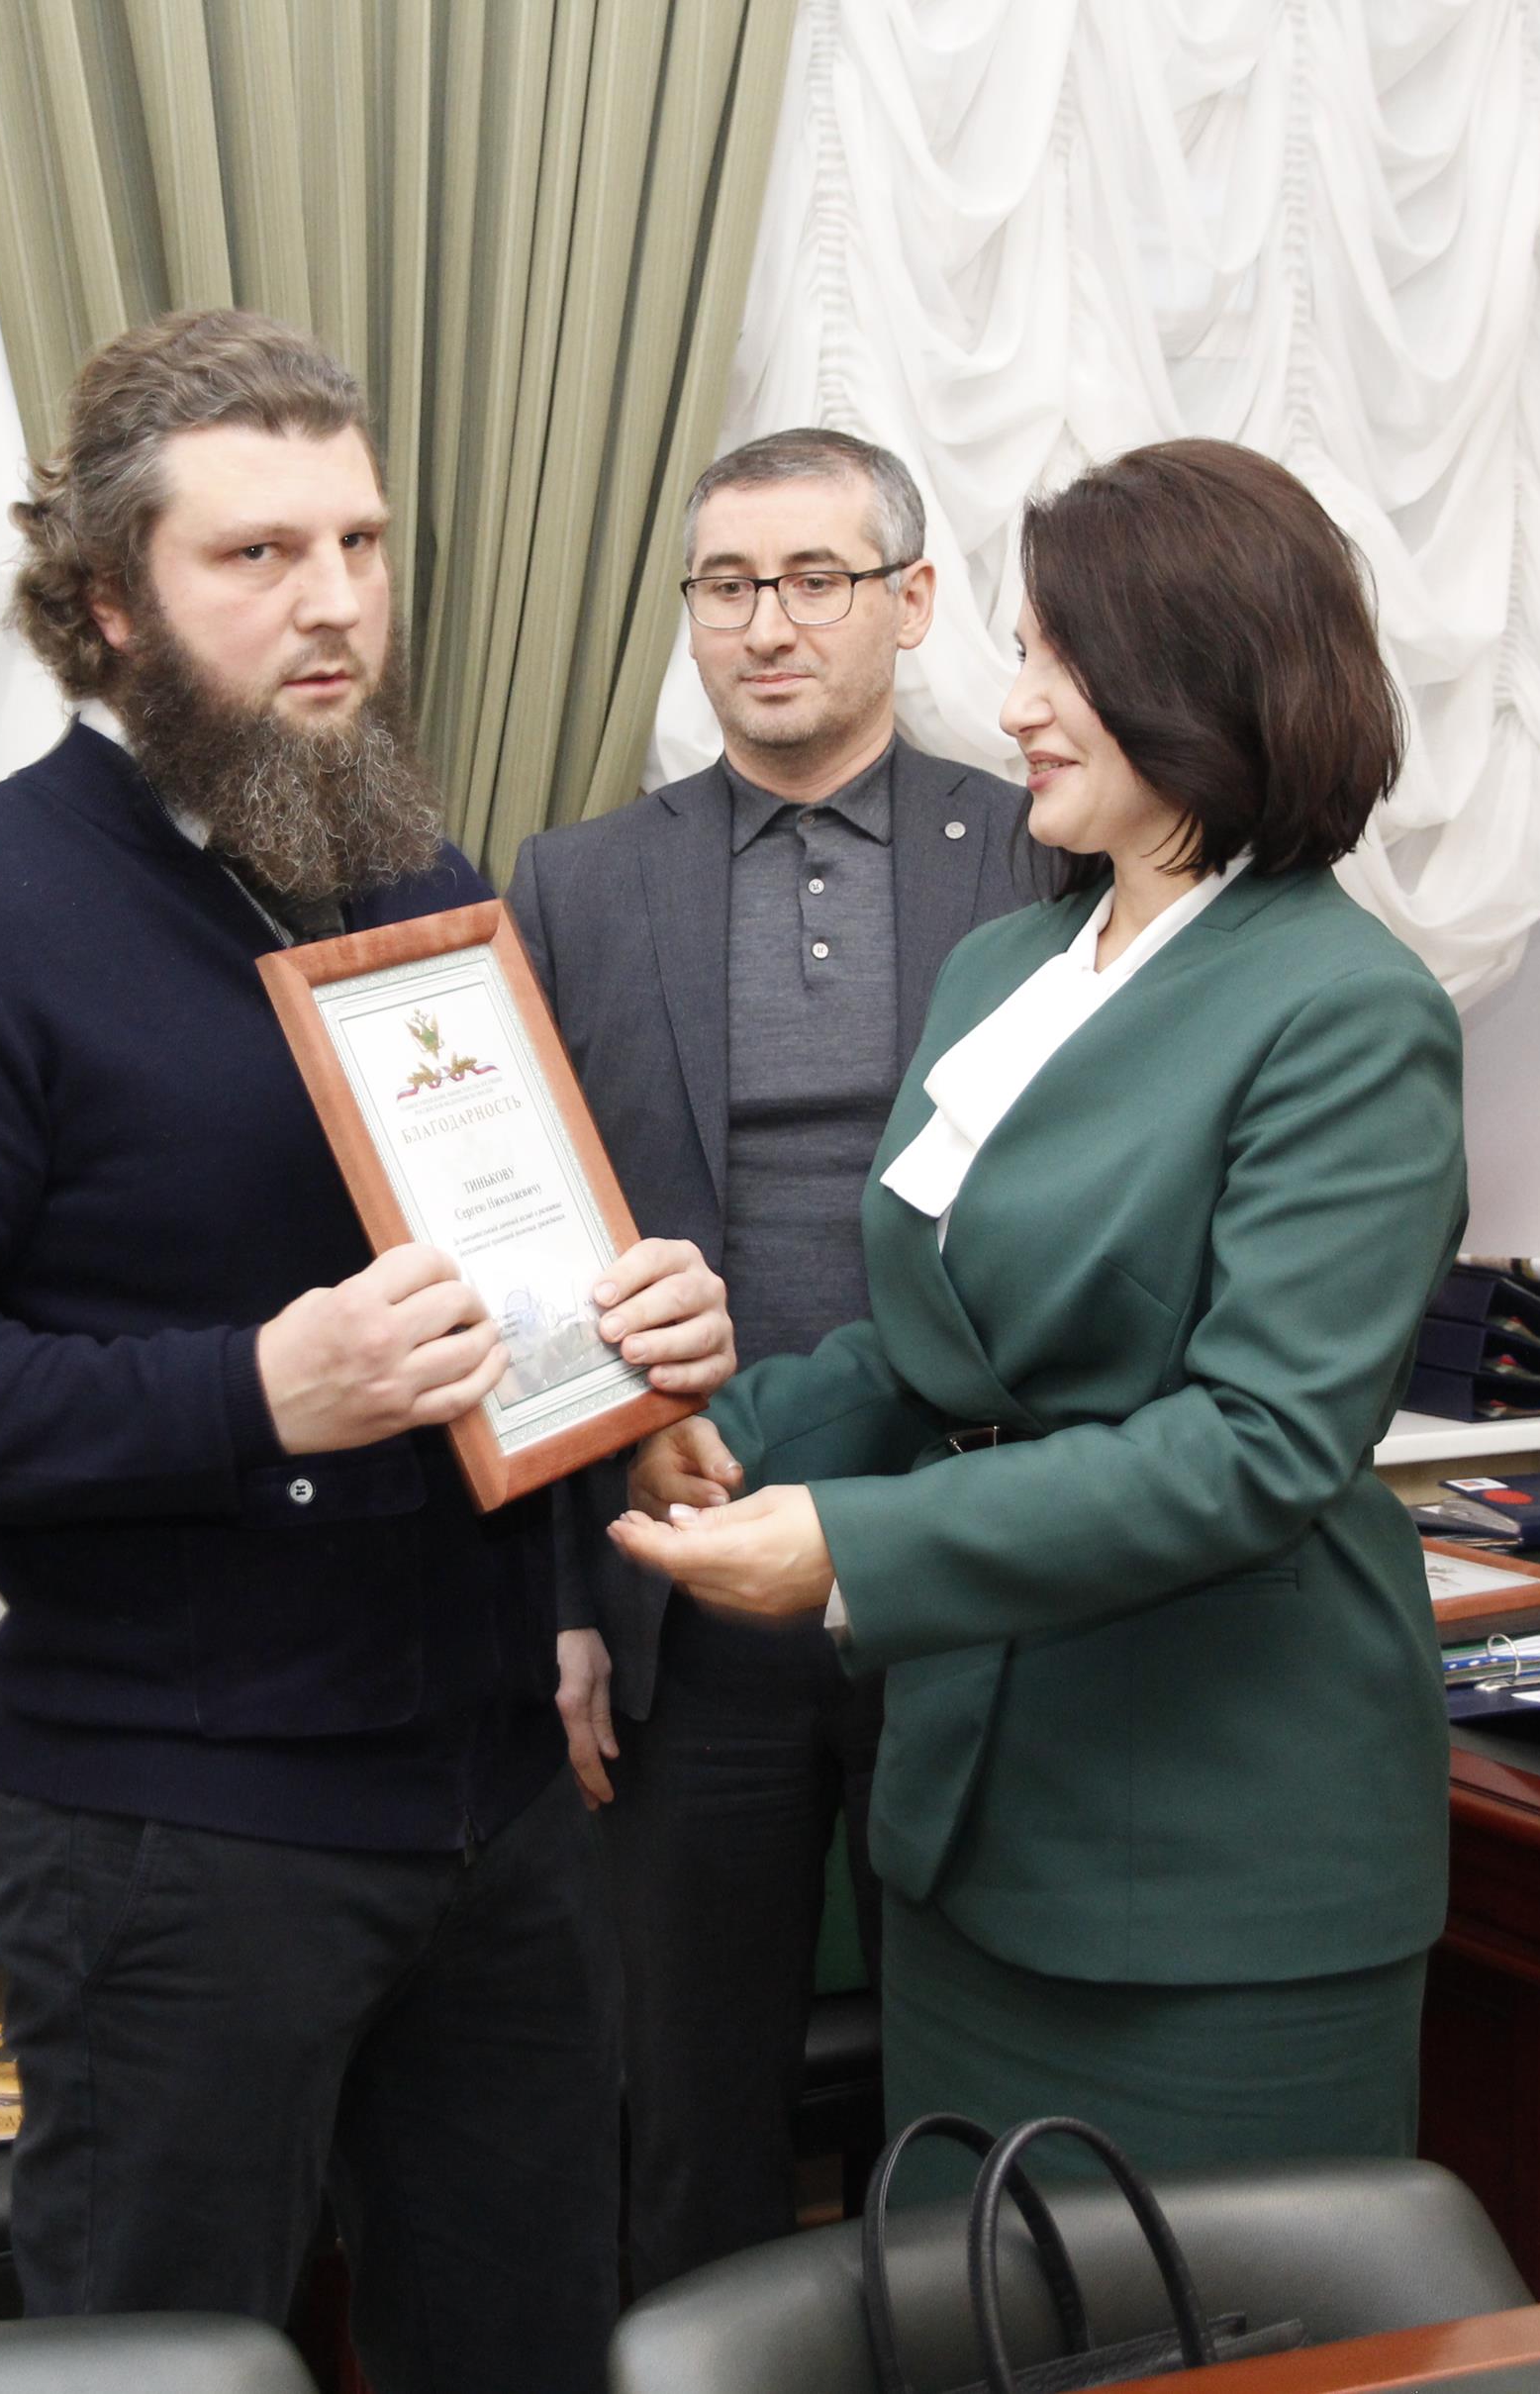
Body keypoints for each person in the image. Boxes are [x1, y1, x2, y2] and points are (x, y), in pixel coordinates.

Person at [0, 309, 735, 2393]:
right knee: (164, 2372)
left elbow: (481, 1277)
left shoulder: (410, 875)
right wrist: (252, 1390)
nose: (333, 603)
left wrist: (626, 1374)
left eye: (359, 543)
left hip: (496, 1799)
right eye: (257, 554)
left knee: (526, 2355)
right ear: (107, 601)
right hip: (176, 1841)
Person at [610, 438, 1466, 2178]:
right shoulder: (1011, 962)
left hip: (1218, 1852)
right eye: (1022, 658)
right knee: (964, 2292)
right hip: (973, 1820)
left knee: (1203, 2314)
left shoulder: (1346, 1008)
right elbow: (937, 1347)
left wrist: (848, 1545)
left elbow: (1255, 1444)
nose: (1014, 709)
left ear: (1203, 680)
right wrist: (717, 1435)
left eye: (1061, 665)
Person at [504, 428, 1032, 2290]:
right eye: (726, 585)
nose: (766, 623)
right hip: (683, 1581)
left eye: (815, 578)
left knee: (971, 2106)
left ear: (911, 600)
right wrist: (561, 1598)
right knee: (684, 2117)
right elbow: (527, 1257)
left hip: (962, 1575)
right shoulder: (577, 882)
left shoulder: (1037, 855)